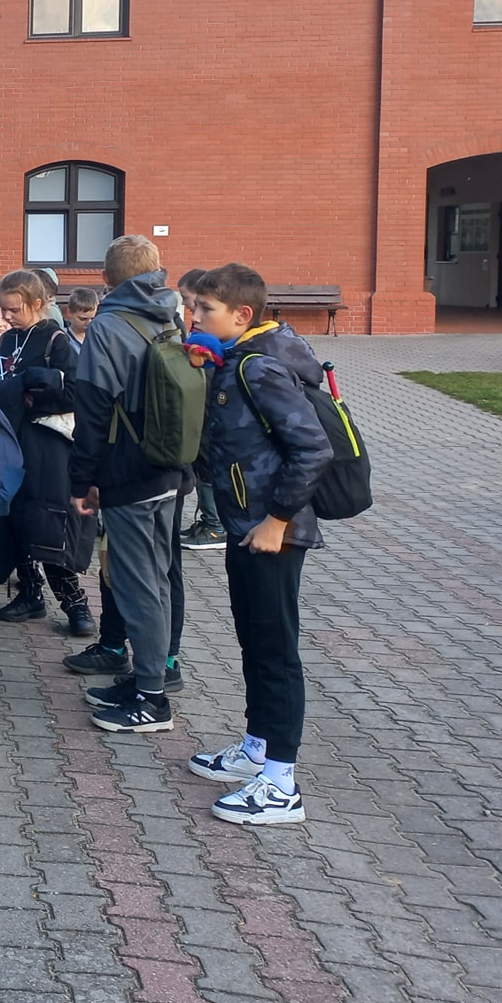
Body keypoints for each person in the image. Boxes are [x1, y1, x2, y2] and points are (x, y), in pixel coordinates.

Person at [183, 263, 332, 826]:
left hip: (272, 532)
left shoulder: (261, 366)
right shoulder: (237, 358)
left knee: (275, 650)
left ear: (242, 315)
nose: (194, 317)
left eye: (205, 309)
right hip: (247, 526)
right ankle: (258, 747)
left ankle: (281, 783)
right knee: (253, 640)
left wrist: (277, 520)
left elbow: (312, 449)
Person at [70, 235, 187, 734]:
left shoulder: (108, 326)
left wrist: (83, 479)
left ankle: (152, 699)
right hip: (169, 466)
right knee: (157, 579)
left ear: (106, 279)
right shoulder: (172, 314)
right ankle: (146, 677)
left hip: (127, 472)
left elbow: (93, 409)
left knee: (137, 584)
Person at [0, 270, 97, 633]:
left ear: (37, 303)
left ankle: (74, 603)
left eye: (14, 310)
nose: (6, 317)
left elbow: (75, 393)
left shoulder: (56, 340)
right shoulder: (8, 340)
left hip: (47, 446)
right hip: (12, 440)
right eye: (3, 310)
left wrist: (34, 388)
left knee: (48, 522)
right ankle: (29, 592)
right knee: (15, 517)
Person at [174, 269, 229, 550]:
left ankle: (215, 526)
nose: (185, 305)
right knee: (201, 460)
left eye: (186, 298)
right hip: (204, 404)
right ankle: (209, 521)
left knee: (207, 462)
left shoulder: (211, 331)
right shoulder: (201, 327)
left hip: (210, 406)